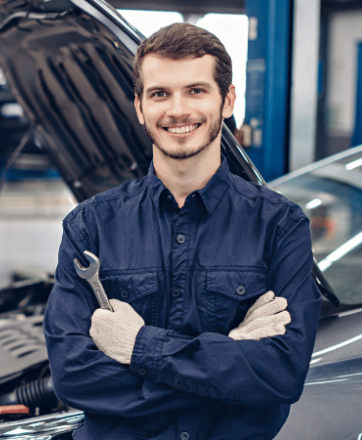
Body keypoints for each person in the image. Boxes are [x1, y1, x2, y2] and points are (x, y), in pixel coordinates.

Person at [43, 23, 321, 440]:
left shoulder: (280, 226)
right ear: (139, 107)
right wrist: (232, 350)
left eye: (195, 90)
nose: (177, 110)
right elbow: (73, 377)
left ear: (227, 100)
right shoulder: (91, 226)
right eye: (160, 94)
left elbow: (281, 374)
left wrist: (139, 346)